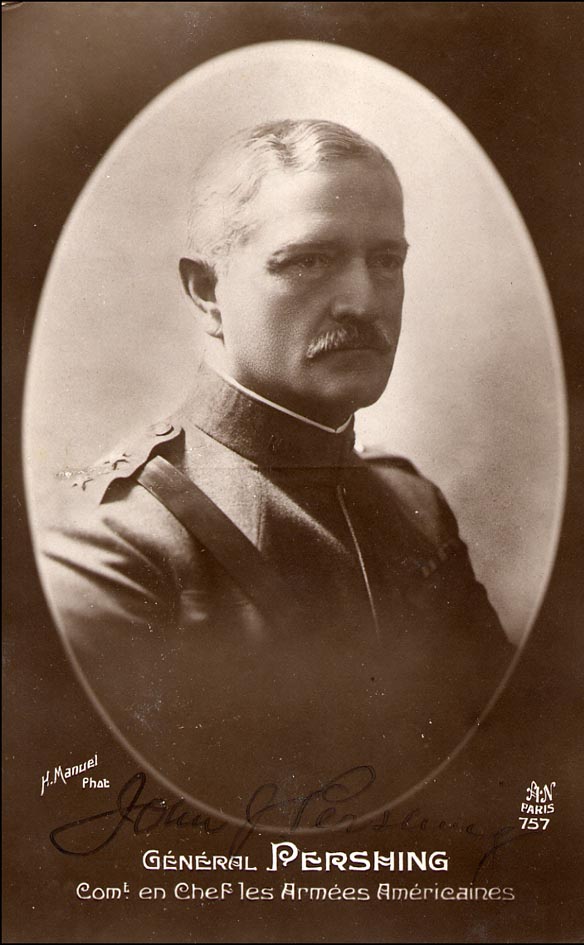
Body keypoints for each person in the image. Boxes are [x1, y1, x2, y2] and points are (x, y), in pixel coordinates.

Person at [40, 120, 514, 817]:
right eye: (308, 261)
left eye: (386, 260)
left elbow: (511, 753)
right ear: (207, 291)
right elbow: (104, 822)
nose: (364, 301)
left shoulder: (413, 505)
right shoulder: (113, 541)